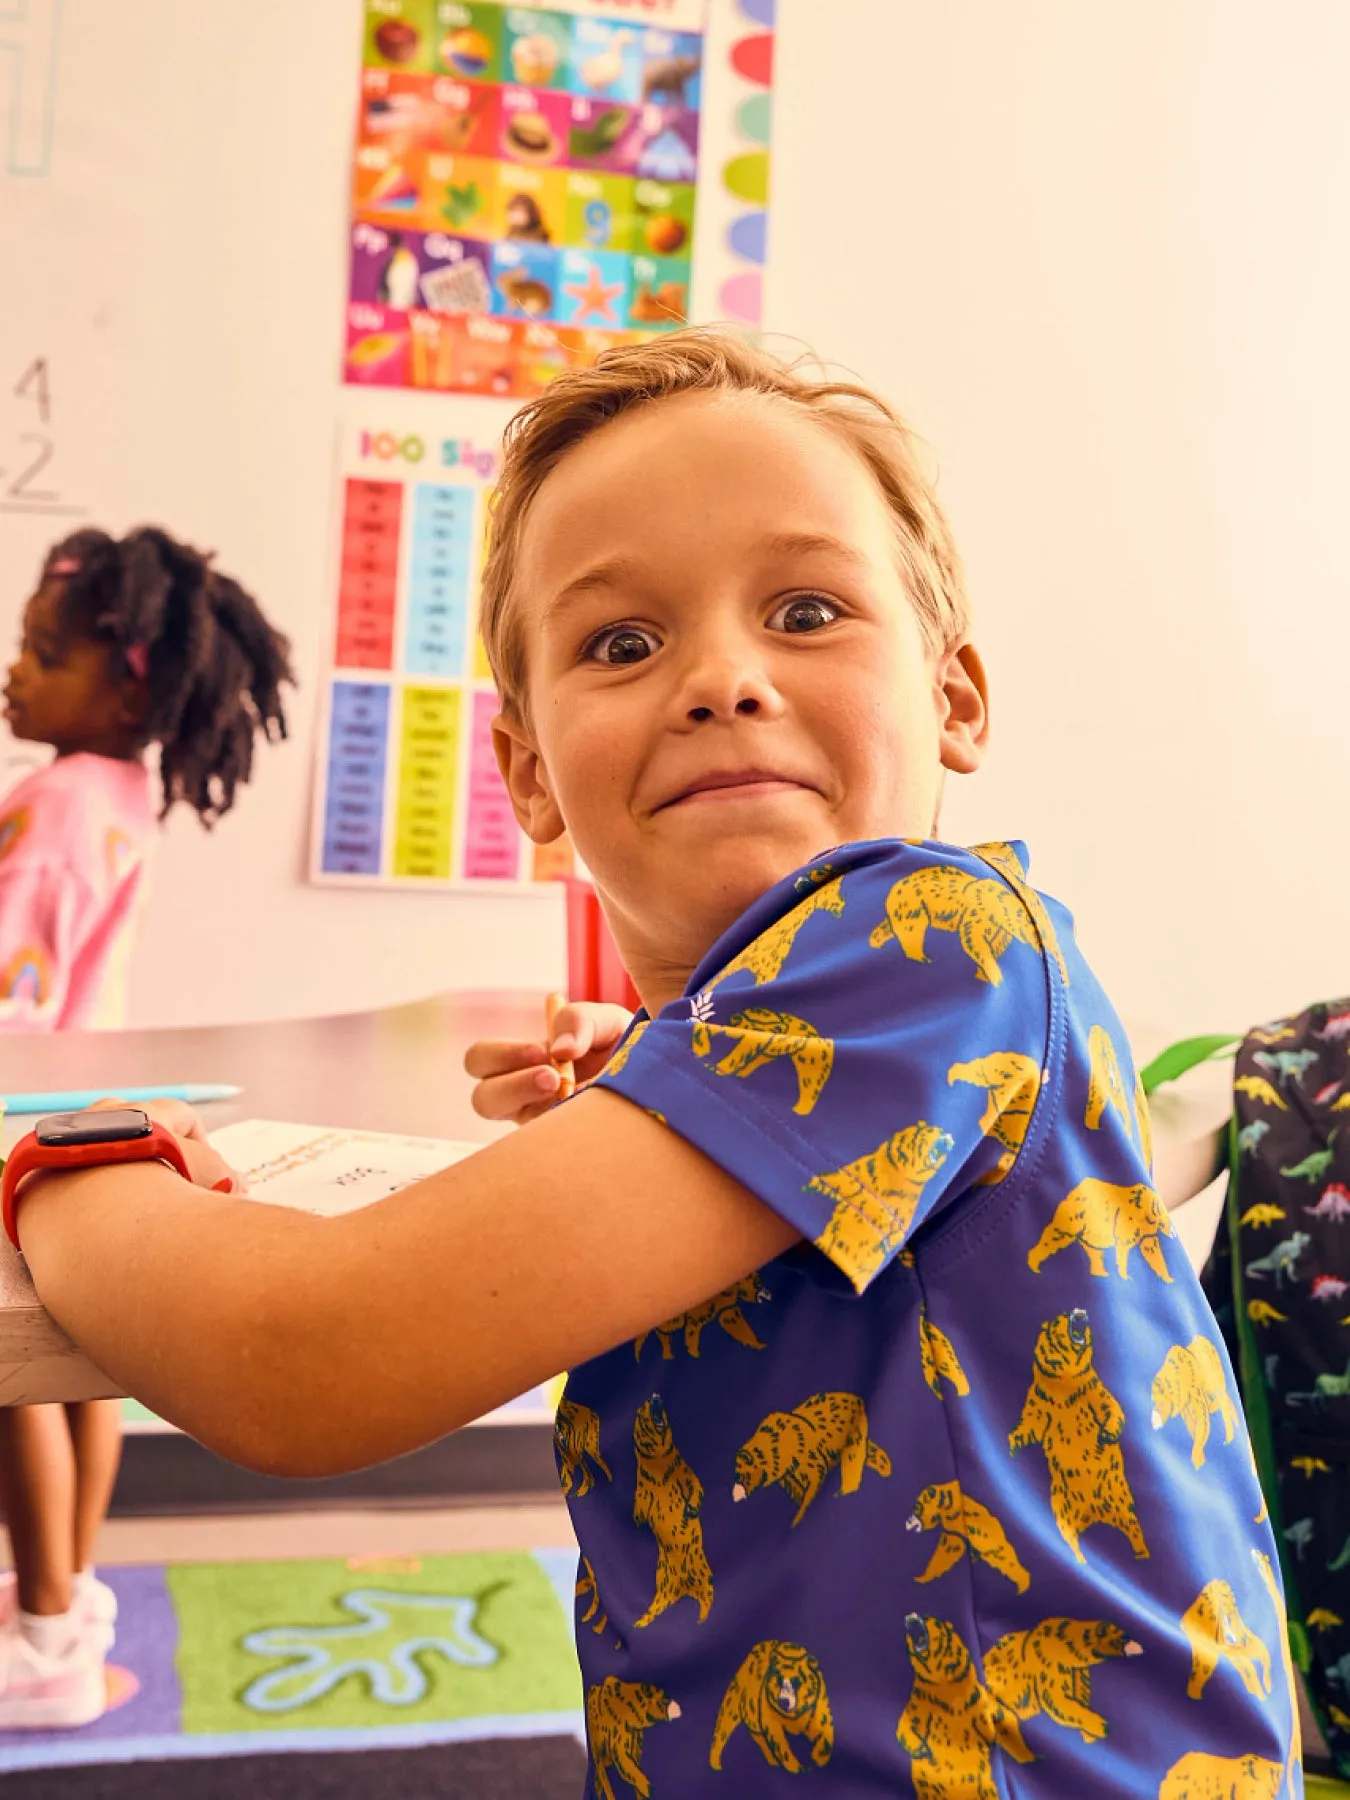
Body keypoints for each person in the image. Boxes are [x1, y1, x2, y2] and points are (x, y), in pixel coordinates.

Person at [6, 333, 1300, 1792]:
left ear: (954, 698)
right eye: (622, 643)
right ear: (529, 778)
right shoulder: (828, 1024)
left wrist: (69, 1168)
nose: (721, 679)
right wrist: (653, 1075)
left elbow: (298, 1366)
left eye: (805, 610)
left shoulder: (937, 940)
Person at [0, 525, 293, 1726]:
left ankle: (42, 1635)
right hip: (84, 1106)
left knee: (10, 1382)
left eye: (40, 651)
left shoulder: (59, 796)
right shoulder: (118, 790)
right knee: (81, 1374)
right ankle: (70, 1598)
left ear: (125, 684)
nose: (13, 671)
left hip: (15, 1107)